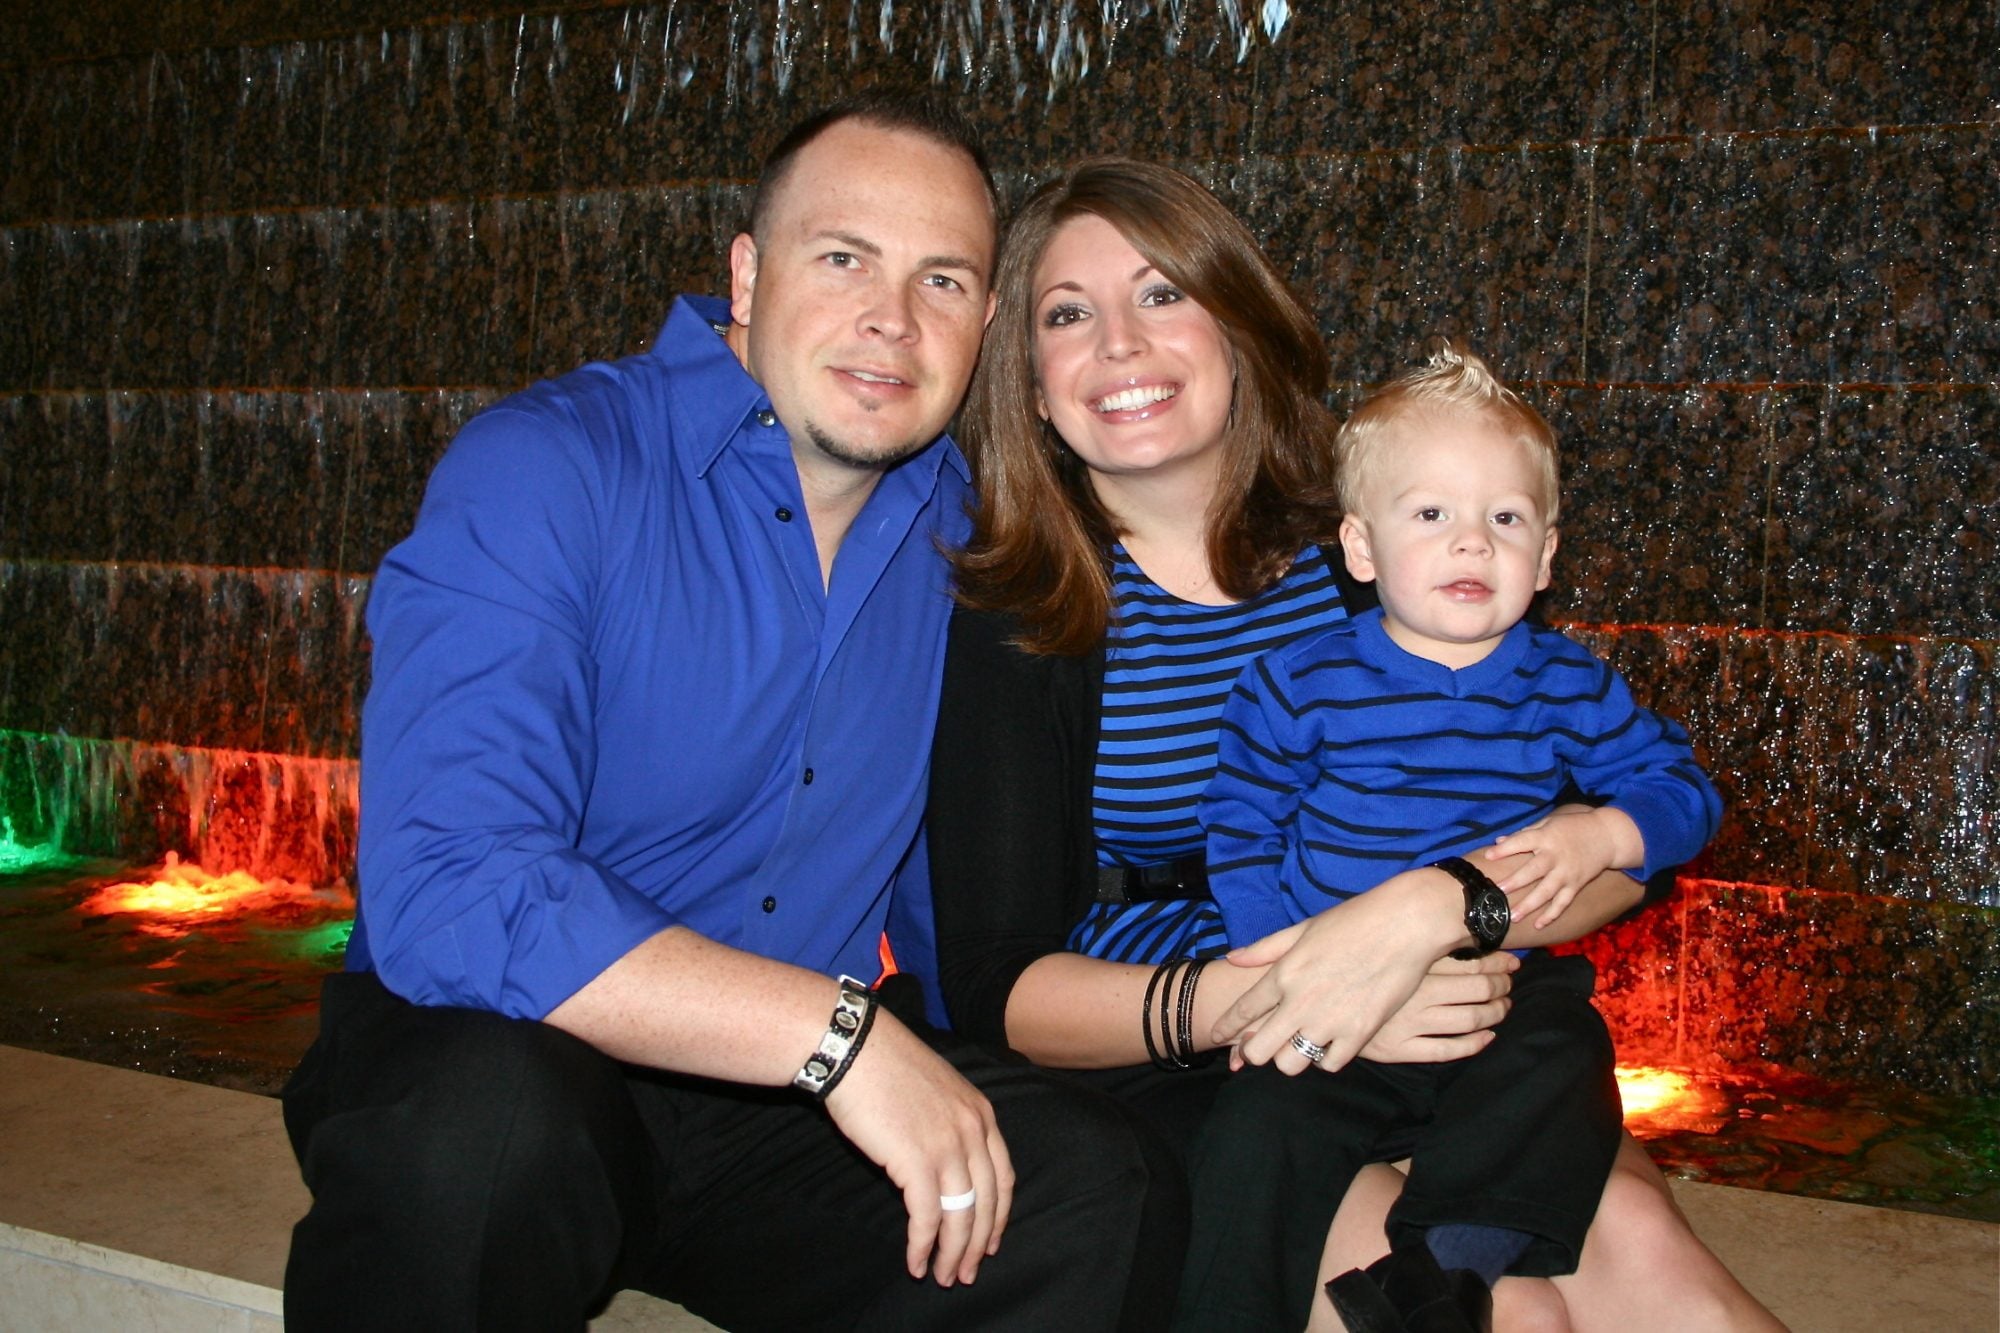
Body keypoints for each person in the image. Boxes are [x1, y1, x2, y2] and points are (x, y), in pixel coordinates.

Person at [280, 95, 1184, 1332]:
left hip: (767, 1118)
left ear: (983, 325)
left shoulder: (975, 538)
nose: (892, 317)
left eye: (942, 279)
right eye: (844, 257)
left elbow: (965, 914)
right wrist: (834, 1034)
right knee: (480, 1135)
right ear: (748, 277)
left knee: (1089, 1184)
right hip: (507, 1043)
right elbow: (448, 883)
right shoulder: (549, 465)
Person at [923, 156, 1782, 1332]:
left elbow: (1620, 854)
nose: (1119, 342)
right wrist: (1290, 994)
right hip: (1186, 1049)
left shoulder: (1383, 544)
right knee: (1509, 1315)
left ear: (1237, 326)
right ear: (1028, 382)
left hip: (1455, 1007)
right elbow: (995, 985)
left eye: (1162, 292)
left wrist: (1436, 914)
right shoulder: (1021, 618)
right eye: (1067, 314)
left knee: (1669, 1281)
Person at [1199, 342, 1724, 1330]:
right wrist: (1280, 962)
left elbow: (1684, 793)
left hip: (1499, 993)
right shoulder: (1295, 682)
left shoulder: (1567, 683)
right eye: (1431, 514)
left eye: (1505, 518)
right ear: (1360, 548)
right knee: (1254, 1127)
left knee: (1565, 1053)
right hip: (1343, 999)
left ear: (1547, 555)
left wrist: (1600, 832)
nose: (1472, 544)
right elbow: (1239, 827)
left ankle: (1452, 1264)